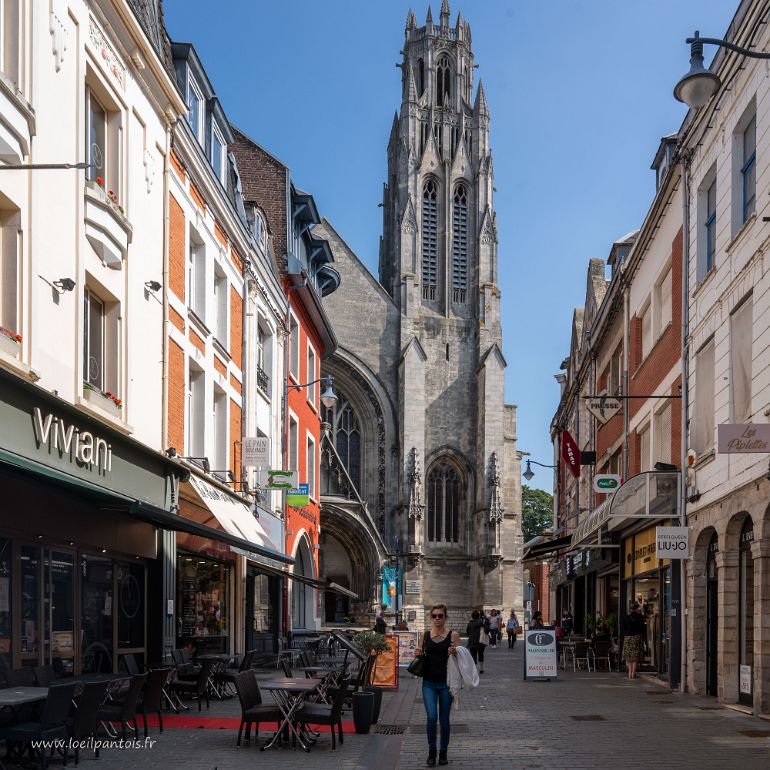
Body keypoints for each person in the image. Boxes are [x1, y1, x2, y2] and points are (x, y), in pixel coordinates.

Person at [415, 604, 461, 767]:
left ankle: (443, 752)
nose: (437, 619)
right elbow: (419, 651)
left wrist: (455, 652)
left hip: (446, 684)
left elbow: (461, 658)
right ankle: (431, 751)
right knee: (431, 717)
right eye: (434, 616)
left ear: (445, 617)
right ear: (430, 617)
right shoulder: (425, 635)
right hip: (428, 682)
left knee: (444, 720)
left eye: (440, 616)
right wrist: (417, 652)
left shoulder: (453, 635)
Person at [622, 602, 646, 679]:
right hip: (637, 637)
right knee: (635, 656)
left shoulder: (626, 617)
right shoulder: (640, 617)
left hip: (628, 637)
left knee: (629, 657)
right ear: (637, 609)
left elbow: (624, 628)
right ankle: (633, 673)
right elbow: (643, 628)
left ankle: (629, 673)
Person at [465, 610, 487, 674]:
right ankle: (481, 668)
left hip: (472, 641)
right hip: (481, 641)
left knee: (473, 655)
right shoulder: (481, 622)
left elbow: (467, 633)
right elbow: (486, 630)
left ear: (472, 616)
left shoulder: (470, 623)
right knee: (481, 654)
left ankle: (474, 669)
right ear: (478, 616)